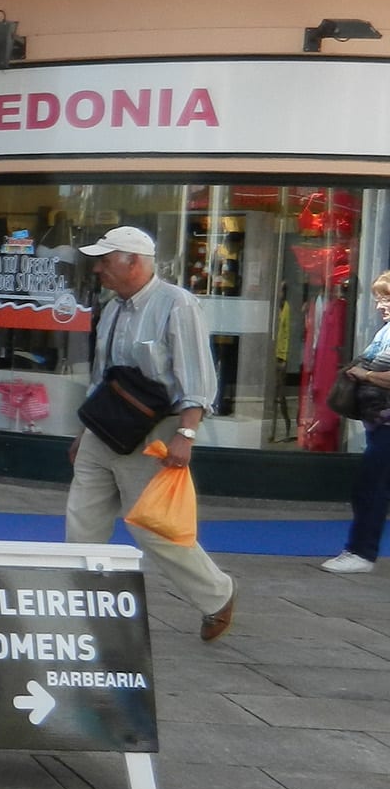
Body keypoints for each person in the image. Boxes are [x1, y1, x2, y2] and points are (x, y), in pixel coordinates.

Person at [66, 226, 237, 641]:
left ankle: (216, 595)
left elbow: (197, 375)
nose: (100, 268)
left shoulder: (177, 304)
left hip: (154, 429)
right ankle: (78, 605)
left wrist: (187, 434)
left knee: (153, 527)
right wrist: (82, 430)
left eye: (107, 260)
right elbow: (102, 376)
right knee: (81, 520)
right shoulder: (112, 308)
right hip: (104, 425)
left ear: (135, 263)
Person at [322, 271, 390, 573]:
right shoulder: (385, 332)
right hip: (379, 425)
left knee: (370, 487)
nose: (380, 306)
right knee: (370, 486)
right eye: (379, 299)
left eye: (386, 298)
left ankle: (360, 553)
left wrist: (365, 375)